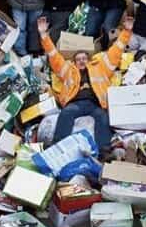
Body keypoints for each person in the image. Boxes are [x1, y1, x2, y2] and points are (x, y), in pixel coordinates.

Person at [39, 13, 134, 156]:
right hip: (75, 103)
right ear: (74, 62)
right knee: (66, 113)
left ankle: (104, 152)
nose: (82, 61)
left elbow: (116, 50)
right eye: (78, 59)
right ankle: (58, 149)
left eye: (84, 58)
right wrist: (43, 35)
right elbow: (53, 55)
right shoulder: (68, 70)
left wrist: (127, 31)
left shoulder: (100, 67)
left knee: (103, 117)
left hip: (95, 104)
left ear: (88, 60)